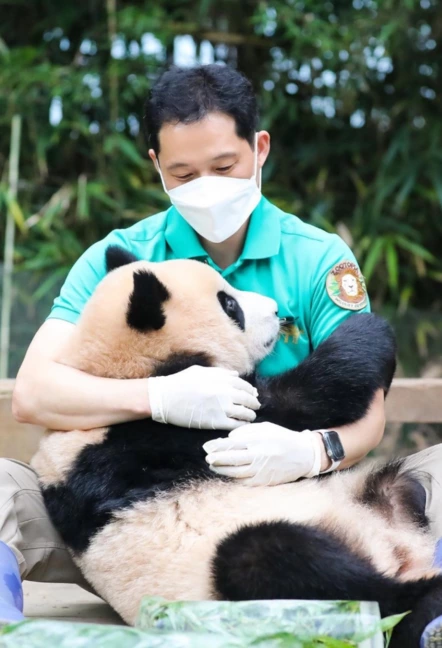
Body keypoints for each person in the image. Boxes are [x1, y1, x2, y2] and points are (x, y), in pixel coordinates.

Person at [3, 65, 442, 640]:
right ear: (156, 165)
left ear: (259, 148)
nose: (205, 184)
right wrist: (159, 396)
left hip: (316, 497)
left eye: (224, 165)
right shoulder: (123, 258)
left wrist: (314, 452)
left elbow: (368, 410)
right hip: (166, 545)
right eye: (182, 172)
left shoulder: (315, 257)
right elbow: (34, 393)